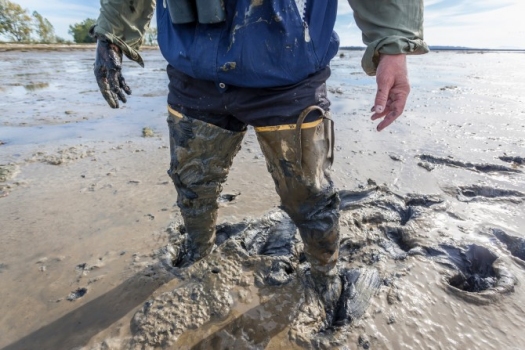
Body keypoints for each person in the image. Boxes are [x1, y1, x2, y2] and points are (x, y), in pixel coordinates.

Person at [91, 0, 428, 326]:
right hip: (192, 70)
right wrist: (112, 34)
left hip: (291, 72)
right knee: (191, 183)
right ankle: (198, 251)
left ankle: (325, 275)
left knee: (311, 194)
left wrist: (393, 44)